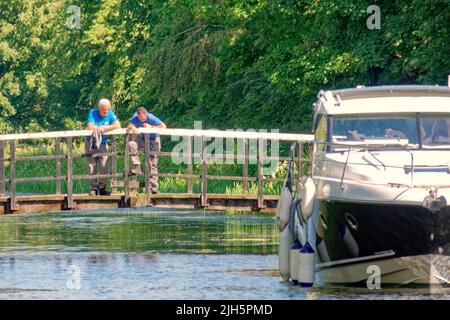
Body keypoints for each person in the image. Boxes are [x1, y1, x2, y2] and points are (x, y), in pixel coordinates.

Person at [85, 98, 121, 196]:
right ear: (99, 108)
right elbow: (90, 126)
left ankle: (102, 187)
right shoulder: (93, 112)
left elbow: (117, 125)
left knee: (104, 165)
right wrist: (98, 128)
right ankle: (93, 188)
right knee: (92, 165)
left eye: (107, 110)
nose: (105, 113)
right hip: (91, 142)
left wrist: (105, 128)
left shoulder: (110, 113)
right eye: (103, 110)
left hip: (103, 143)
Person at [127, 107, 166, 193]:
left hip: (154, 139)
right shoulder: (135, 117)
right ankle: (137, 166)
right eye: (141, 118)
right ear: (138, 115)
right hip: (143, 139)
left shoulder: (151, 117)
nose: (142, 120)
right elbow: (130, 124)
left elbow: (163, 126)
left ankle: (153, 187)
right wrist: (133, 128)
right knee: (131, 144)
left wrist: (151, 127)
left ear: (146, 114)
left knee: (152, 163)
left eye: (144, 118)